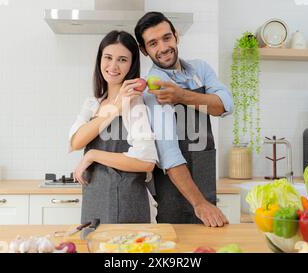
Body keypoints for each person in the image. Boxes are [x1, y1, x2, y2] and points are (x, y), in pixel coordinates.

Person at [134, 12, 234, 227]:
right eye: (153, 43)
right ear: (144, 50)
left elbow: (225, 105)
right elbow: (169, 153)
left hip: (205, 174)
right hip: (174, 188)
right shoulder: (153, 86)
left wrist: (181, 96)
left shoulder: (200, 69)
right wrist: (199, 204)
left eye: (166, 38)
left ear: (176, 36)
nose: (163, 47)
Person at [68, 30, 159, 224]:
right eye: (108, 57)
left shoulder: (135, 104)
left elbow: (146, 161)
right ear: (100, 59)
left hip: (126, 202)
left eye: (122, 60)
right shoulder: (93, 103)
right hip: (94, 198)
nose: (113, 66)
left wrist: (93, 155)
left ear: (131, 65)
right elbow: (75, 141)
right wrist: (114, 109)